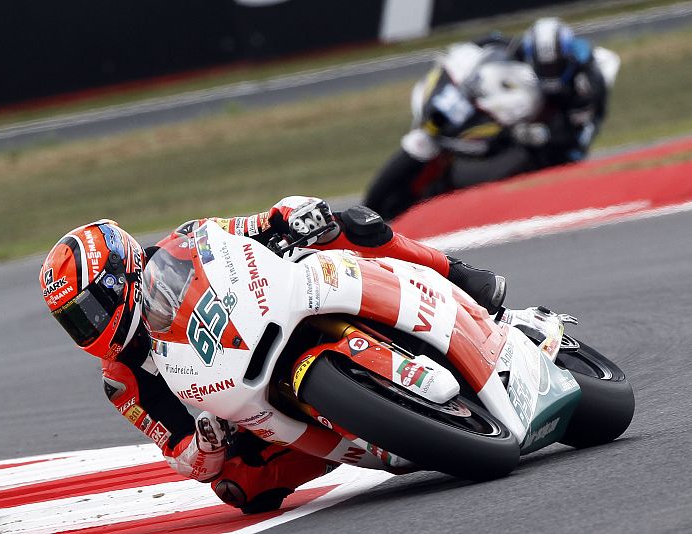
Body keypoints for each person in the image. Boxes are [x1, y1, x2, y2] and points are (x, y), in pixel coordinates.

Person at [39, 196, 506, 514]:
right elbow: (180, 455)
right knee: (239, 486)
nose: (90, 328)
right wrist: (206, 443)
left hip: (277, 302)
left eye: (89, 311)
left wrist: (293, 216)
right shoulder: (122, 378)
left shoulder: (186, 241)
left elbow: (256, 224)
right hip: (245, 396)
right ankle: (361, 431)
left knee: (346, 223)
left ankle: (458, 274)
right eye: (75, 322)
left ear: (118, 275)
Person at [365, 17, 610, 220]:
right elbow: (482, 46)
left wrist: (542, 134)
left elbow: (578, 134)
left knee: (530, 159)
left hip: (560, 144)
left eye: (555, 67)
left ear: (568, 59)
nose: (550, 73)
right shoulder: (515, 48)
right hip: (520, 122)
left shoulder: (586, 80)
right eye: (545, 67)